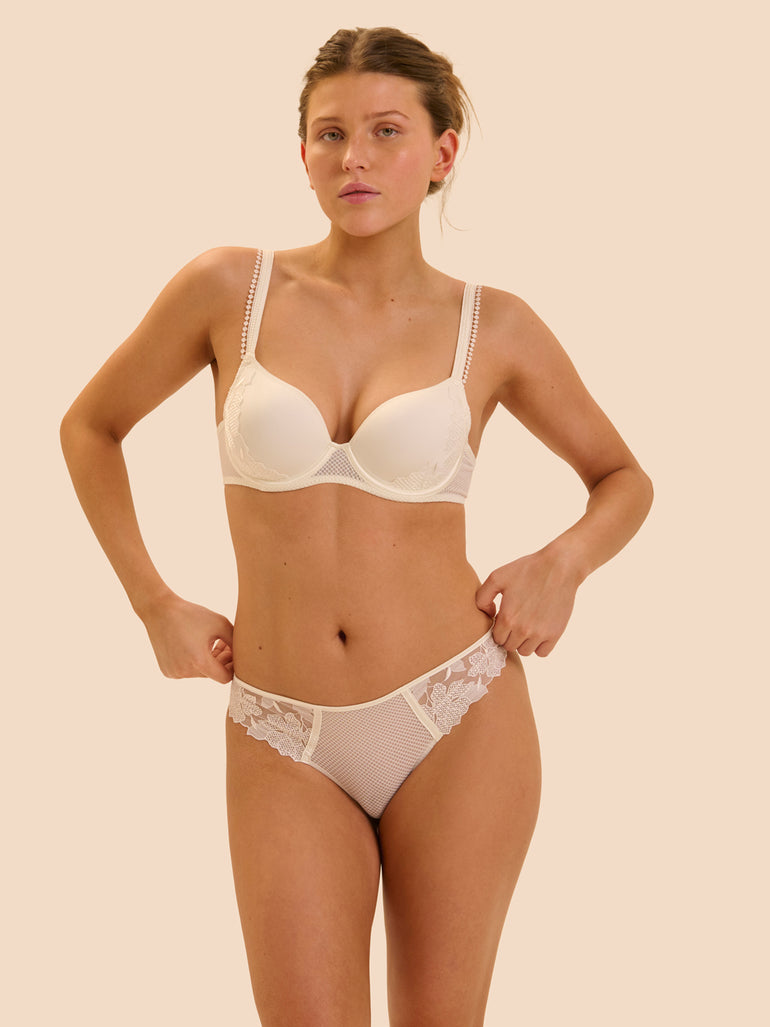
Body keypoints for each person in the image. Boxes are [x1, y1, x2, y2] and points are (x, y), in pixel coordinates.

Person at [60, 25, 653, 1027]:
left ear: (442, 151)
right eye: (330, 134)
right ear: (301, 153)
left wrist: (563, 564)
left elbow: (622, 478)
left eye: (386, 130)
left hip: (457, 711)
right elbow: (90, 427)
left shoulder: (494, 325)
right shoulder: (228, 289)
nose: (355, 158)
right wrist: (152, 602)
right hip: (280, 725)